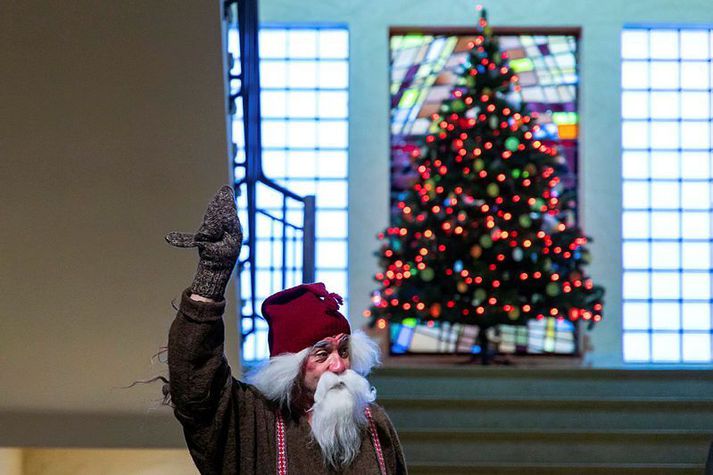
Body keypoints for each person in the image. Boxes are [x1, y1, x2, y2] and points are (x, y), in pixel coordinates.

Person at [165, 186, 407, 474]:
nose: (340, 364)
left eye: (344, 350)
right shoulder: (252, 419)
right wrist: (212, 276)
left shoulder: (374, 423)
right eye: (322, 354)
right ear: (290, 366)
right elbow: (195, 386)